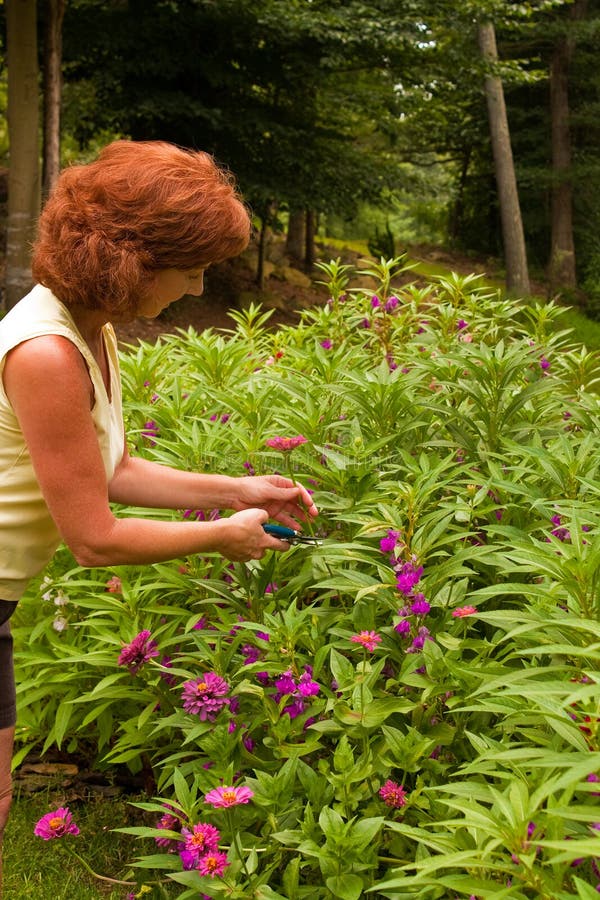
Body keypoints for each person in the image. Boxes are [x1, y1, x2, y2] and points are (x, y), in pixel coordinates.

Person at [0, 140, 317, 887]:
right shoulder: (45, 352)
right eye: (194, 268)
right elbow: (95, 539)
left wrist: (239, 492)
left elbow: (113, 470)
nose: (199, 284)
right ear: (133, 260)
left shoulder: (89, 331)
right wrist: (223, 541)